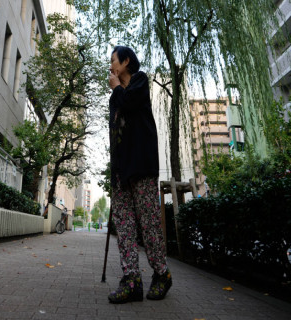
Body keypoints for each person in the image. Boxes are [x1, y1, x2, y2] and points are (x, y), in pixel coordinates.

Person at [107, 46, 172, 304]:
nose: (110, 65)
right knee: (124, 226)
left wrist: (116, 89)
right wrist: (113, 172)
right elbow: (114, 133)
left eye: (113, 60)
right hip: (121, 171)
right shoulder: (116, 95)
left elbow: (130, 102)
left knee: (149, 224)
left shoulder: (140, 81)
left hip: (142, 166)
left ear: (125, 61)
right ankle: (132, 280)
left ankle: (162, 274)